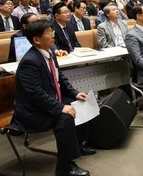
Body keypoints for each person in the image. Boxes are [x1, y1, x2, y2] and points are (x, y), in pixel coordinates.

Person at [11, 20, 95, 176]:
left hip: (50, 100)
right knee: (65, 118)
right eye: (49, 32)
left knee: (80, 103)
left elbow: (60, 79)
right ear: (36, 39)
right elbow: (35, 94)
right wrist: (61, 107)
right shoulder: (30, 61)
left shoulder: (49, 53)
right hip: (33, 110)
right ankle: (64, 166)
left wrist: (74, 93)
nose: (53, 35)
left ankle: (78, 145)